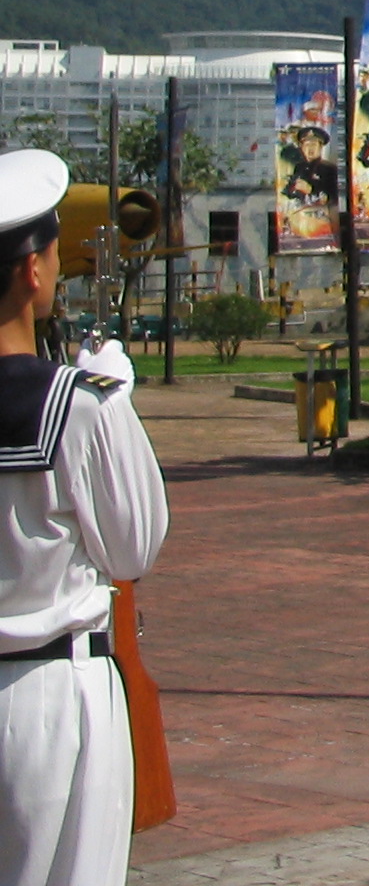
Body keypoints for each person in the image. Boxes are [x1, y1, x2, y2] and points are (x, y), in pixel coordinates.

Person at [0, 147, 170, 886]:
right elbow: (133, 549)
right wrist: (114, 403)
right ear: (32, 271)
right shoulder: (79, 405)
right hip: (54, 694)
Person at [280, 126, 338, 206]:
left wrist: (310, 190)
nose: (310, 148)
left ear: (320, 147)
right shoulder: (299, 167)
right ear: (302, 148)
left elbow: (334, 199)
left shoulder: (329, 169)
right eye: (307, 145)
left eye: (313, 145)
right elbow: (290, 194)